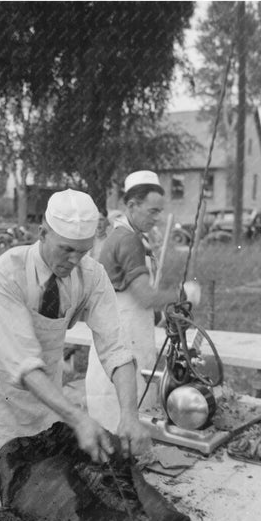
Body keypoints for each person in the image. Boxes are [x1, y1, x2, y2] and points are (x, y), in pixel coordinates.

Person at [0, 188, 151, 511]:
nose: (74, 261)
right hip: (1, 393)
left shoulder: (92, 276)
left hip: (50, 392)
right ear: (42, 233)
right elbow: (22, 362)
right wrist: (77, 417)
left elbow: (116, 348)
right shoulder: (6, 273)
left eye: (83, 251)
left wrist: (130, 414)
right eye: (66, 250)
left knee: (39, 486)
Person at [85, 170, 199, 432]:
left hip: (122, 336)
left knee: (120, 419)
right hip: (123, 342)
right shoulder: (128, 241)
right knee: (122, 418)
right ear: (132, 205)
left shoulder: (124, 237)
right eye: (152, 211)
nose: (157, 218)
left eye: (160, 212)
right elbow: (145, 296)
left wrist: (160, 317)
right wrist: (184, 294)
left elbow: (130, 297)